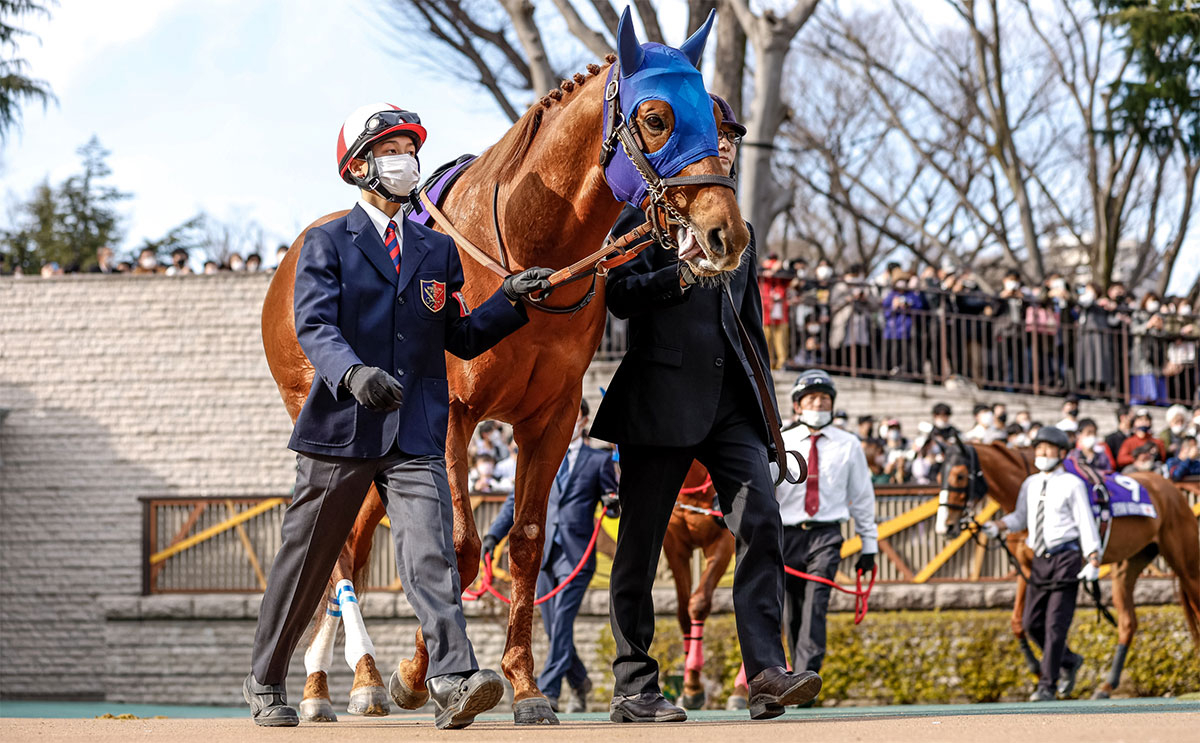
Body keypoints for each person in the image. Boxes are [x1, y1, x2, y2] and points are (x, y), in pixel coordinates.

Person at [243, 103, 553, 729]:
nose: (405, 160)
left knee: (431, 552)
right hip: (341, 429)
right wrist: (353, 374)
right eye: (390, 151)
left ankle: (454, 678)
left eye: (410, 150)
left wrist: (511, 303)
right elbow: (315, 325)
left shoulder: (436, 250)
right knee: (305, 557)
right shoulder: (326, 242)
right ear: (358, 167)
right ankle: (266, 678)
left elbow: (460, 336)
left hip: (414, 431)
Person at [590, 94, 820, 723]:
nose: (724, 145)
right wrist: (682, 277)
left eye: (731, 138)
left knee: (764, 525)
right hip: (658, 401)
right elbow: (618, 296)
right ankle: (635, 685)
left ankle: (765, 671)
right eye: (714, 134)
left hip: (734, 408)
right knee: (636, 549)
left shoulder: (736, 223)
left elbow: (750, 331)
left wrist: (776, 428)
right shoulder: (643, 212)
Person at [482, 399, 619, 713]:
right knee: (556, 627)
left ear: (582, 421)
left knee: (562, 624)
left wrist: (613, 502)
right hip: (541, 555)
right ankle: (581, 681)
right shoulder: (540, 456)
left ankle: (549, 688)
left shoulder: (597, 461)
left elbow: (612, 496)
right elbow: (516, 499)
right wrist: (493, 535)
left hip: (576, 556)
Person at [982, 426, 1100, 701]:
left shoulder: (1072, 483)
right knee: (1031, 622)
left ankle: (1047, 685)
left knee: (1055, 624)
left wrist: (1093, 557)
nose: (1042, 453)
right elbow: (1020, 517)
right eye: (1039, 448)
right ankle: (1069, 661)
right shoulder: (1030, 484)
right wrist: (998, 525)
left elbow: (1086, 522)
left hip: (1066, 557)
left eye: (1048, 448)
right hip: (1040, 560)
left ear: (1061, 453)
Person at [776, 371, 877, 679]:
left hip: (827, 535)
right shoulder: (781, 439)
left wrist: (869, 545)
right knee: (791, 608)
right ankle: (796, 676)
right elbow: (766, 486)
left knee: (816, 602)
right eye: (811, 399)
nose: (818, 404)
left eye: (824, 399)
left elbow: (862, 497)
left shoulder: (848, 445)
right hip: (787, 534)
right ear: (797, 406)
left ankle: (809, 671)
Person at [760, 253, 792, 370]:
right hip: (766, 314)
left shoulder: (781, 275)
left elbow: (790, 275)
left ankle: (781, 363)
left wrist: (779, 269)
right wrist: (768, 269)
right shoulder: (761, 272)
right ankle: (767, 364)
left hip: (780, 315)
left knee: (781, 341)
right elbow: (757, 270)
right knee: (765, 340)